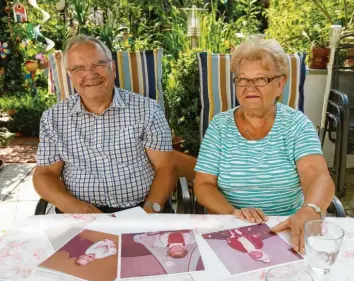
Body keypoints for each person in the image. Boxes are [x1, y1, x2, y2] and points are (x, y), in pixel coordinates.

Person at [194, 35, 335, 254]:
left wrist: (310, 209)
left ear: (280, 84)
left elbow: (318, 177)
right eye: (242, 79)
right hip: (233, 228)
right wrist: (233, 213)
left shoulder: (296, 125)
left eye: (260, 79)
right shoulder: (220, 126)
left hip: (288, 227)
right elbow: (203, 185)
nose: (249, 87)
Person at [33, 35, 177, 214]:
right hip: (80, 214)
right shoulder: (53, 118)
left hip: (141, 210)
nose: (90, 74)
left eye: (99, 65)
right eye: (79, 68)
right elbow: (45, 173)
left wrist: (150, 210)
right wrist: (74, 207)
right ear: (70, 76)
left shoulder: (147, 110)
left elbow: (166, 167)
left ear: (113, 69)